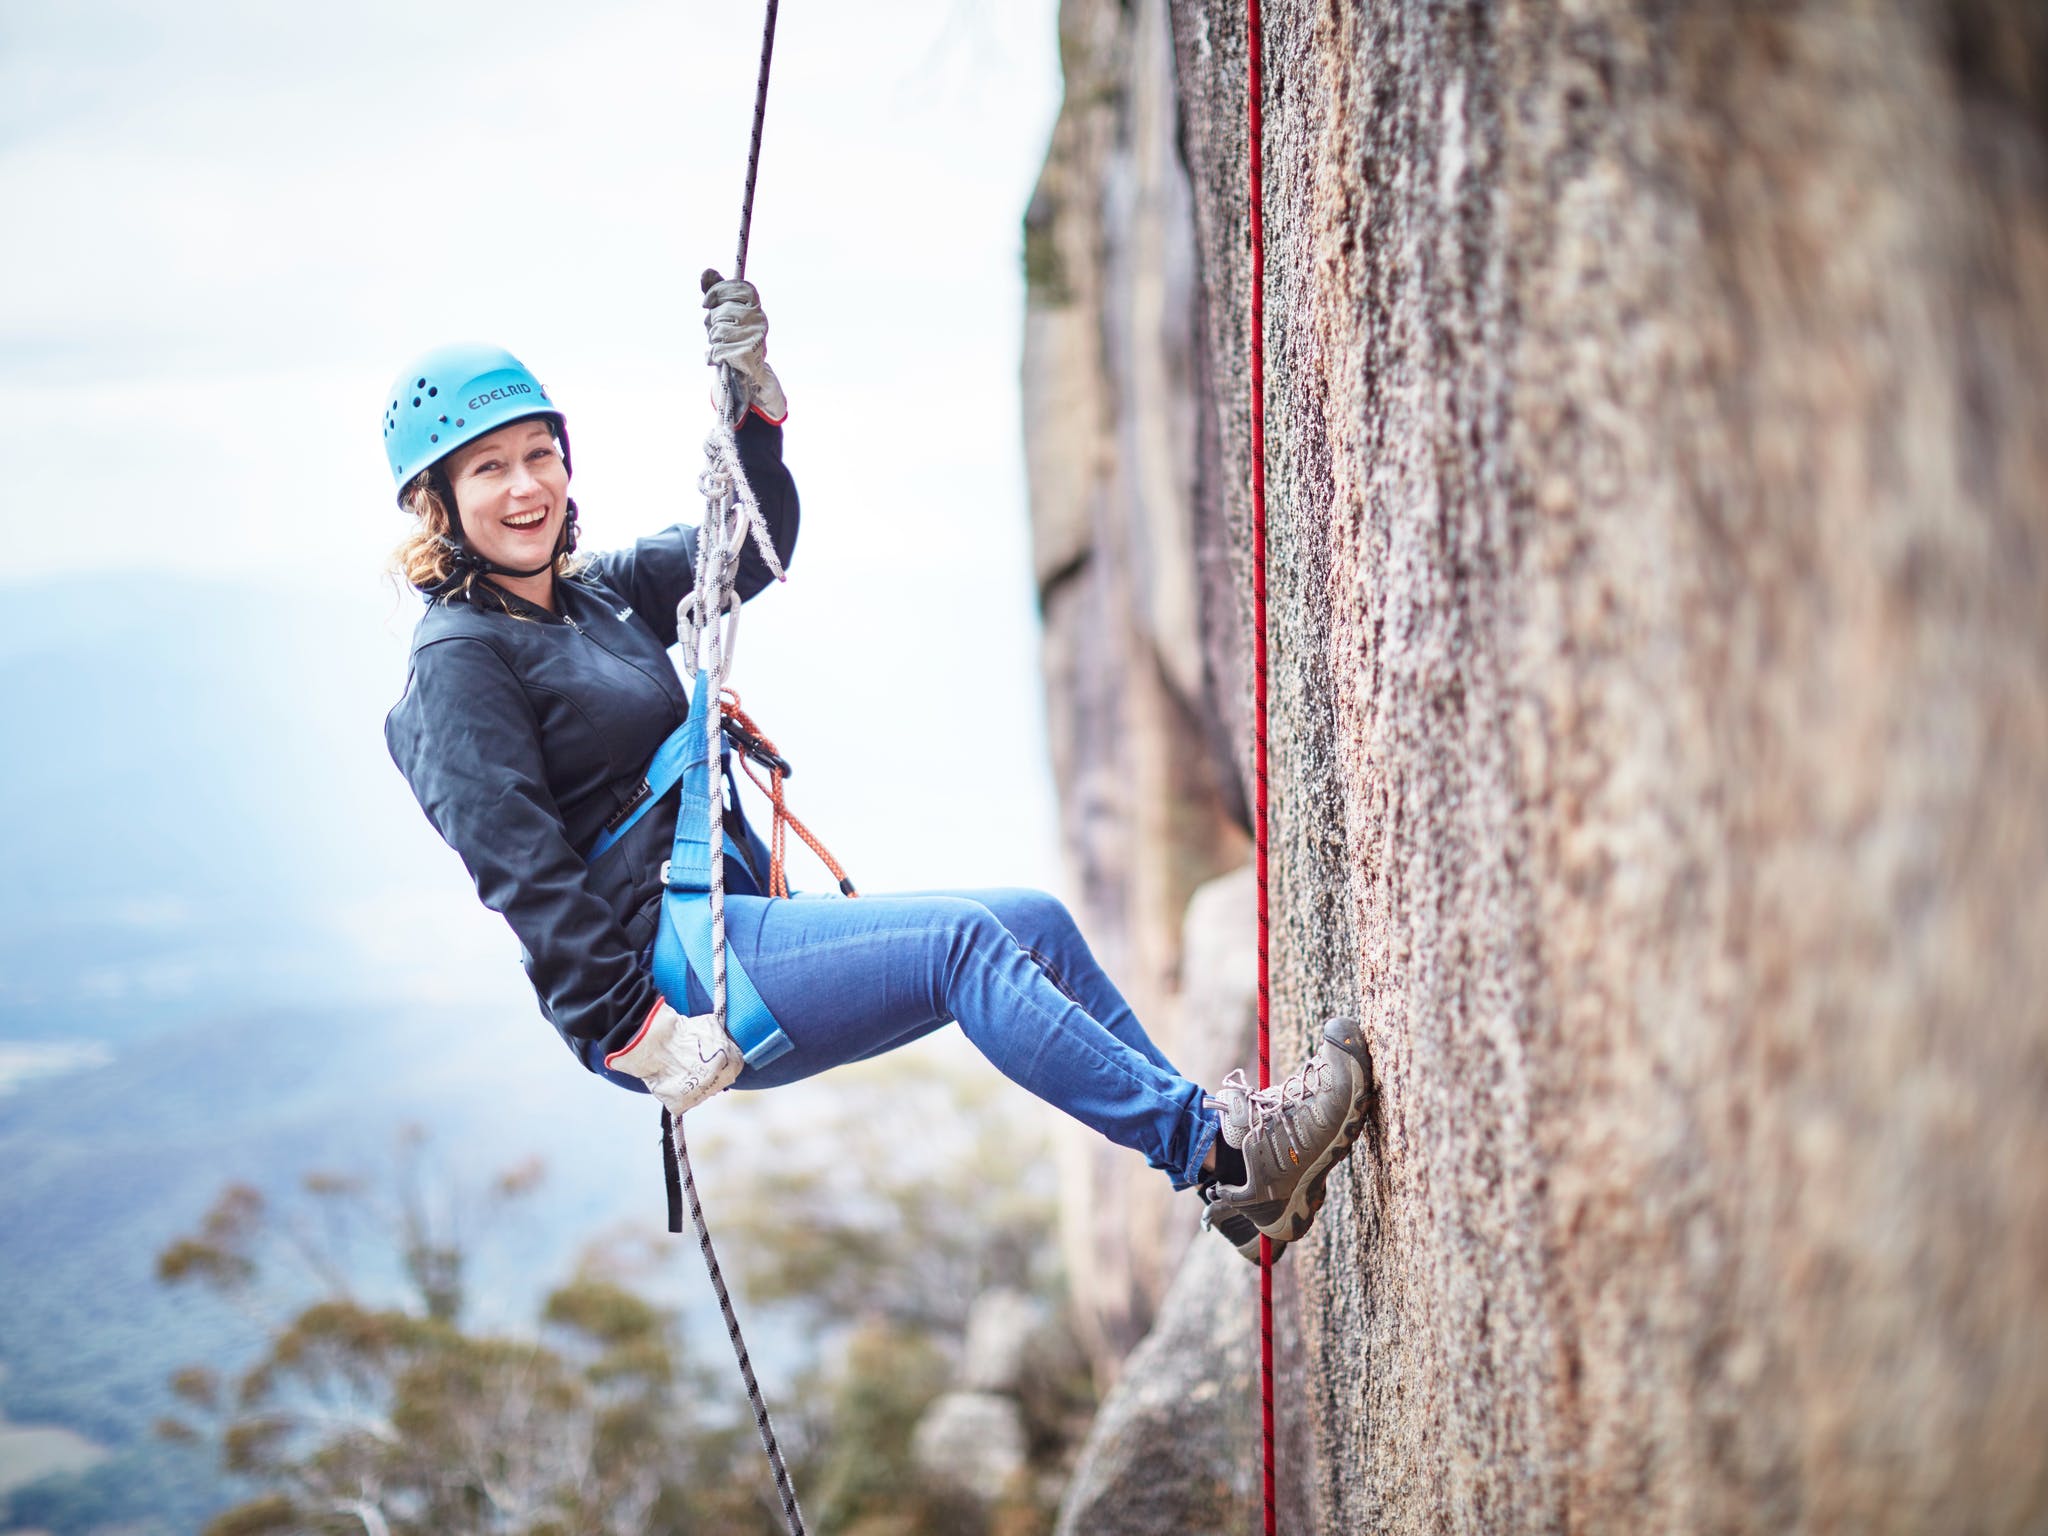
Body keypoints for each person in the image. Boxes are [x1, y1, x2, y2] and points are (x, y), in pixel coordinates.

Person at [379, 280, 1370, 1261]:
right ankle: (1220, 1152)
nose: (525, 489)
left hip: (715, 920)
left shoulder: (593, 595)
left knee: (1033, 925)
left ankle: (1222, 1164)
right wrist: (630, 1029)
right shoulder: (458, 661)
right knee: (962, 948)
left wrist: (752, 412)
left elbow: (749, 551)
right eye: (487, 471)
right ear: (437, 503)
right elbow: (520, 870)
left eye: (537, 455)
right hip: (661, 973)